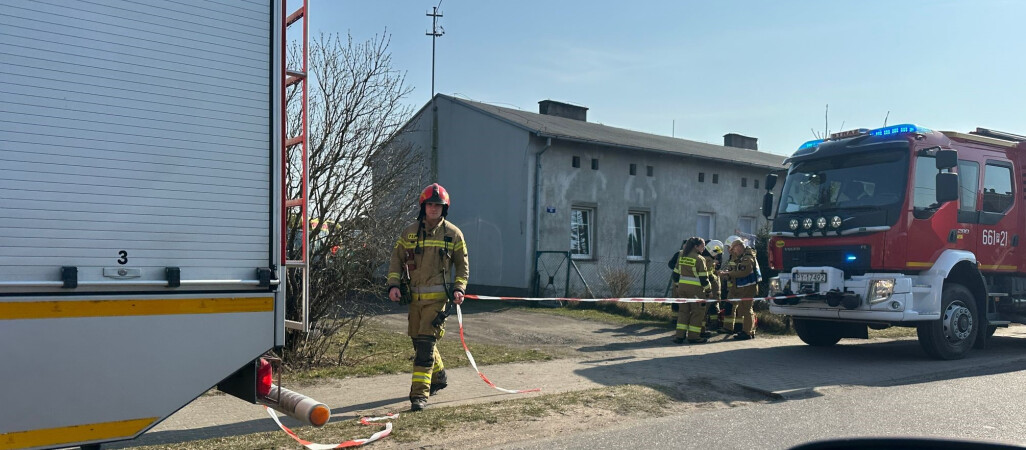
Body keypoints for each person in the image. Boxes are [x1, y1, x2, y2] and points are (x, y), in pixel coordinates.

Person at [386, 183, 469, 411]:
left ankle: (419, 396)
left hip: (437, 302)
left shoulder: (453, 234)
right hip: (414, 301)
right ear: (423, 207)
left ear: (445, 209)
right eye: (430, 205)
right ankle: (439, 375)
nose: (434, 209)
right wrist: (393, 284)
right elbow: (396, 259)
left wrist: (459, 288)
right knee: (418, 340)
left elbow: (462, 267)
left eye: (438, 205)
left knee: (424, 347)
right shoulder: (409, 232)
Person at [673, 237, 711, 344]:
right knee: (697, 313)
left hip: (682, 289)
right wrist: (709, 291)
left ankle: (679, 336)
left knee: (683, 312)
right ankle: (693, 337)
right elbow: (704, 279)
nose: (704, 248)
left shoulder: (681, 255)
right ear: (696, 246)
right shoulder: (700, 259)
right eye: (702, 246)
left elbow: (675, 274)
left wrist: (677, 286)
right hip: (696, 291)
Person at [720, 237, 759, 340]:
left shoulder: (747, 257)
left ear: (739, 246)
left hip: (748, 287)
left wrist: (728, 273)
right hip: (744, 287)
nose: (733, 251)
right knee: (744, 309)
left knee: (746, 310)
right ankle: (748, 330)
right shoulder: (742, 256)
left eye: (733, 249)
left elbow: (743, 272)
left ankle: (747, 332)